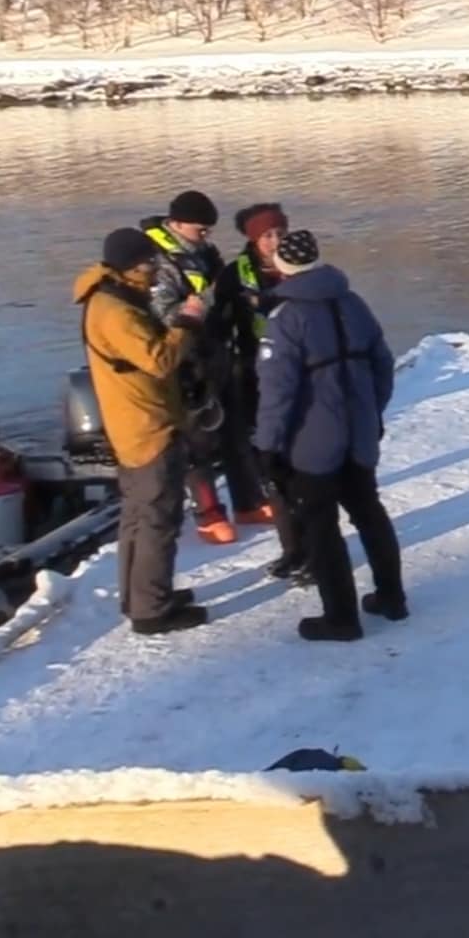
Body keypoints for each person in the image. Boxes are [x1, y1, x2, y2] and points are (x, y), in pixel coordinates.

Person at [253, 230, 407, 643]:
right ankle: (392, 597)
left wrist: (268, 446)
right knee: (369, 512)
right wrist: (372, 410)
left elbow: (277, 391)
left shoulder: (286, 318)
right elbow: (382, 364)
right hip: (359, 432)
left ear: (282, 268)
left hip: (312, 441)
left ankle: (341, 618)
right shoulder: (353, 303)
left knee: (321, 526)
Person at [74, 228, 209, 636]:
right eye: (149, 261)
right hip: (148, 427)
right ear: (130, 266)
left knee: (136, 517)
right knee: (157, 519)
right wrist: (188, 321)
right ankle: (152, 610)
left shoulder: (108, 297)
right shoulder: (117, 311)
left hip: (129, 425)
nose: (155, 268)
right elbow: (160, 359)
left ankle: (140, 595)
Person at [142, 190, 268, 544]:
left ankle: (249, 501)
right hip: (186, 363)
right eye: (200, 229)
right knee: (197, 440)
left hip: (217, 352)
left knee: (236, 430)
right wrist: (206, 301)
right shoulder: (159, 263)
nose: (206, 235)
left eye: (209, 230)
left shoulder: (204, 252)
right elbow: (166, 315)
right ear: (176, 224)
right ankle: (209, 515)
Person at [231, 202, 307, 584]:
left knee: (303, 470)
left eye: (280, 233)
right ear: (253, 240)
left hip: (301, 380)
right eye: (267, 236)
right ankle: (292, 549)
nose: (276, 241)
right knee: (272, 469)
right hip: (256, 381)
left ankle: (315, 551)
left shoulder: (302, 269)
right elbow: (219, 325)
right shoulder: (234, 275)